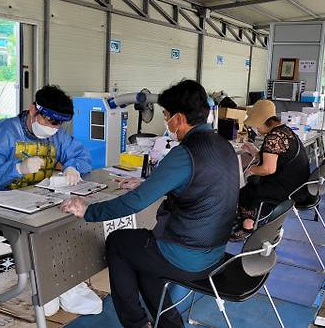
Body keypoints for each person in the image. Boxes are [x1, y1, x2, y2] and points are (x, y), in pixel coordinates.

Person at [60, 80, 239, 328]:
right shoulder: (223, 145)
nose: (165, 121)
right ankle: (167, 324)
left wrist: (89, 210)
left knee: (119, 243)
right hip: (215, 250)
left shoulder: (185, 153)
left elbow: (136, 203)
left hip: (187, 255)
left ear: (178, 118)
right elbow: (203, 187)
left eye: (166, 115)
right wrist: (154, 183)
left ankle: (135, 323)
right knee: (144, 254)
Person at [0, 85, 92, 190]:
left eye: (58, 123)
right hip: (1, 201)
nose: (52, 128)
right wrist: (17, 169)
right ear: (33, 110)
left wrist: (73, 167)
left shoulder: (58, 136)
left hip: (39, 198)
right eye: (48, 120)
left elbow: (82, 156)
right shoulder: (4, 132)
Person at [232, 99, 310, 240]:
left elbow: (267, 169)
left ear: (265, 122)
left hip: (288, 190)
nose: (256, 129)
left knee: (245, 191)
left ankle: (247, 226)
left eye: (257, 125)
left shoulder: (273, 137)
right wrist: (254, 150)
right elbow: (275, 157)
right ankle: (252, 218)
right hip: (299, 185)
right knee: (253, 182)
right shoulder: (284, 131)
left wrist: (248, 171)